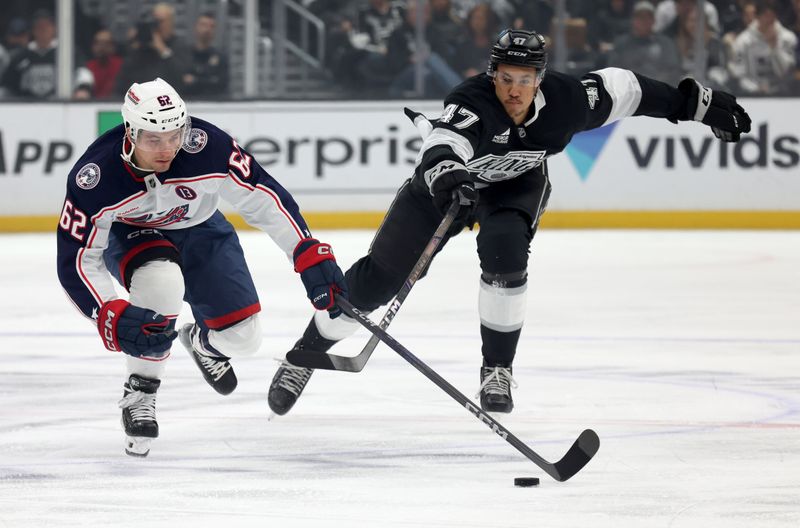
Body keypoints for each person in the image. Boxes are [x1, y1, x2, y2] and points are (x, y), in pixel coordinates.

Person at [267, 28, 752, 417]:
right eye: (505, 77)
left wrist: (697, 104)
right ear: (492, 74)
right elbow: (443, 146)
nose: (514, 89)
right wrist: (452, 177)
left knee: (505, 254)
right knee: (377, 283)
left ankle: (497, 369)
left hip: (514, 187)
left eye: (524, 79)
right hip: (443, 187)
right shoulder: (471, 100)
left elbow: (629, 89)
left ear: (540, 78)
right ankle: (303, 357)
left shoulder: (569, 100)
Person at [56, 78, 347, 457]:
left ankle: (200, 343)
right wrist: (107, 310)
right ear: (130, 131)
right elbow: (76, 260)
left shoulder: (209, 147)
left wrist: (306, 251)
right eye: (153, 139)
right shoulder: (95, 177)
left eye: (175, 135)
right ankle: (141, 390)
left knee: (244, 339)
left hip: (201, 229)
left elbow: (265, 198)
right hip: (133, 234)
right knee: (162, 281)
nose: (166, 149)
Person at [181, 12, 229, 98]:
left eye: (211, 26)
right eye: (204, 25)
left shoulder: (220, 57)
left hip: (213, 104)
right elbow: (182, 82)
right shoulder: (184, 54)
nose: (207, 29)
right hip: (189, 102)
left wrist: (195, 80)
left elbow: (221, 83)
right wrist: (207, 79)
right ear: (196, 27)